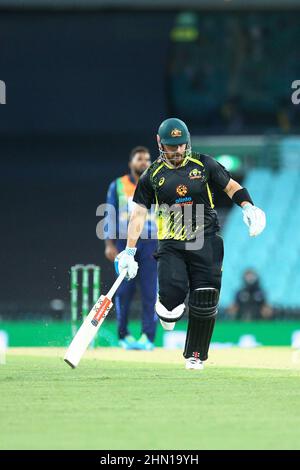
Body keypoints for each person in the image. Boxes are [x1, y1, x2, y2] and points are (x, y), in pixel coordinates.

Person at [114, 118, 266, 370]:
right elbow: (138, 215)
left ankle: (195, 355)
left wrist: (249, 207)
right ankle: (166, 305)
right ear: (159, 143)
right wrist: (129, 252)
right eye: (171, 147)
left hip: (205, 240)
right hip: (172, 244)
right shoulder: (151, 175)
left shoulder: (203, 164)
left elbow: (231, 187)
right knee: (170, 306)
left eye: (181, 146)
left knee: (205, 297)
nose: (177, 152)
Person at [104, 146, 157, 350]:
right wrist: (109, 244)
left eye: (147, 159)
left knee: (150, 291)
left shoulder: (156, 183)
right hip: (124, 242)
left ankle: (148, 338)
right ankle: (123, 336)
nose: (144, 162)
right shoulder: (118, 185)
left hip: (152, 242)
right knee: (123, 291)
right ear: (131, 163)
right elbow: (109, 213)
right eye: (139, 159)